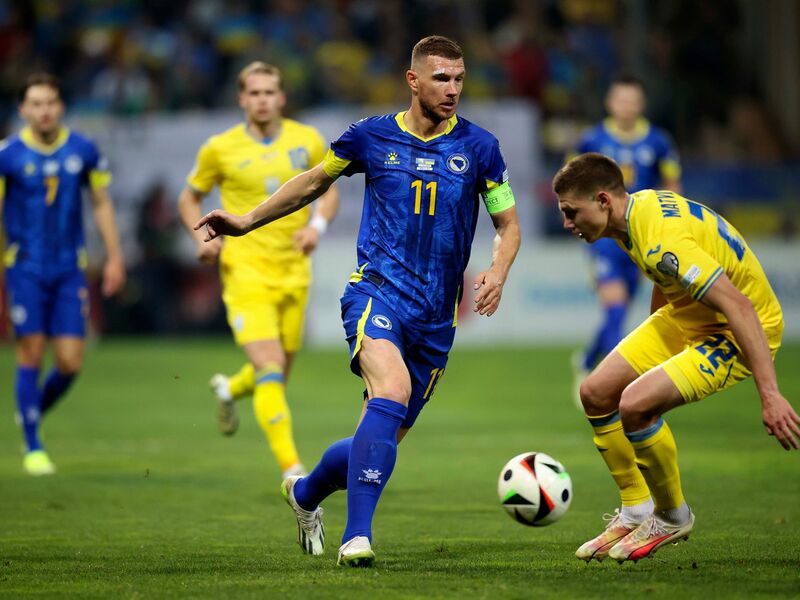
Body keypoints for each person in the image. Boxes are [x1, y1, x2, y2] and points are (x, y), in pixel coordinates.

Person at [195, 36, 521, 567]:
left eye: (460, 79)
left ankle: (304, 495)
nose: (453, 89)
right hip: (377, 292)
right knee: (388, 390)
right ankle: (357, 538)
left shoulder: (481, 148)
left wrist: (499, 271)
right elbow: (311, 183)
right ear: (412, 80)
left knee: (379, 442)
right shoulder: (369, 137)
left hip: (437, 317)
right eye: (442, 78)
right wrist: (247, 221)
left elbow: (507, 223)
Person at [553, 152, 799, 563]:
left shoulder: (661, 241)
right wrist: (658, 353)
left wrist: (770, 394)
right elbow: (664, 276)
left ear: (602, 200)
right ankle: (636, 509)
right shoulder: (637, 212)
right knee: (595, 392)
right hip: (685, 312)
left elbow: (739, 307)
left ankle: (671, 515)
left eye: (570, 212)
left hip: (733, 331)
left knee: (635, 405)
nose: (567, 223)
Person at [177, 61, 340, 481]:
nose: (262, 99)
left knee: (277, 376)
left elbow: (328, 193)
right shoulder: (220, 148)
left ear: (281, 97)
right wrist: (201, 243)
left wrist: (317, 229)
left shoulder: (307, 140)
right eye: (254, 93)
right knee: (269, 368)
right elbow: (187, 199)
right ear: (242, 99)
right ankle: (293, 472)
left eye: (270, 92)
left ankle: (231, 388)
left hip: (294, 270)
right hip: (244, 269)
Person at [0, 73, 126, 476]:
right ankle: (33, 445)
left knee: (71, 362)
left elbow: (102, 203)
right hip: (24, 268)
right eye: (35, 104)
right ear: (23, 110)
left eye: (50, 102)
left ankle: (31, 411)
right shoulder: (8, 154)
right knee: (31, 351)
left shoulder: (84, 149)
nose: (44, 110)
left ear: (61, 106)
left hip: (70, 268)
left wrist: (115, 257)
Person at [570, 76, 682, 402]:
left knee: (619, 312)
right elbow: (571, 182)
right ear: (610, 103)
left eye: (632, 100)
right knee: (617, 310)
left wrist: (670, 225)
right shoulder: (593, 139)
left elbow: (672, 184)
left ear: (641, 104)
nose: (627, 106)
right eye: (621, 100)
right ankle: (609, 387)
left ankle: (588, 360)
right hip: (604, 236)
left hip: (640, 238)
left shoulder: (659, 141)